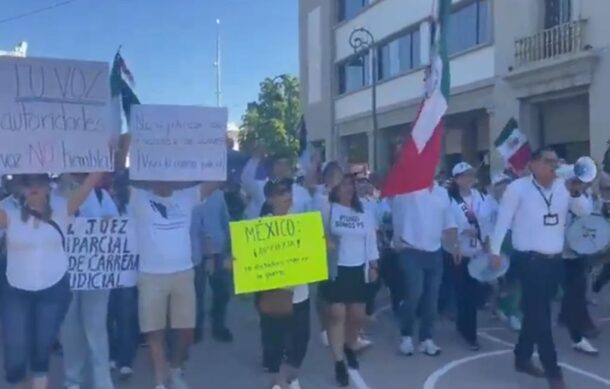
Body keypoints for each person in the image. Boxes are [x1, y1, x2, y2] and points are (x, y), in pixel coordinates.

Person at [490, 146, 592, 389]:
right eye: (547, 161)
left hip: (555, 261)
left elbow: (585, 211)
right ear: (533, 164)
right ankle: (553, 372)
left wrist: (576, 192)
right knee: (542, 318)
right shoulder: (518, 188)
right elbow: (503, 220)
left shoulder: (563, 187)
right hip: (529, 261)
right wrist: (494, 252)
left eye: (555, 162)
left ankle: (522, 357)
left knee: (536, 313)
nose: (553, 166)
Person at [0, 172, 102, 389]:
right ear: (20, 187)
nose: (33, 187)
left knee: (41, 349)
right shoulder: (8, 212)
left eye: (39, 181)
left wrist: (104, 158)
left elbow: (88, 185)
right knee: (16, 354)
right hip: (16, 291)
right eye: (27, 182)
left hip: (52, 290)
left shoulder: (63, 208)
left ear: (49, 186)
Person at [61, 174, 119, 389]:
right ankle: (73, 380)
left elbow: (116, 228)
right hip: (64, 274)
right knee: (69, 329)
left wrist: (105, 226)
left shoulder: (100, 195)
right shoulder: (54, 196)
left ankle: (102, 381)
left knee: (96, 328)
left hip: (96, 274)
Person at [393, 176, 458, 357]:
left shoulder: (442, 193)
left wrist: (455, 245)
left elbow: (449, 222)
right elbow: (397, 211)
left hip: (435, 252)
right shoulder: (408, 190)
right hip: (411, 250)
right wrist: (397, 239)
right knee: (415, 292)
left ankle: (426, 338)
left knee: (432, 297)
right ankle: (406, 335)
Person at [324, 174, 379, 387]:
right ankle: (339, 362)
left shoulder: (364, 211)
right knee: (337, 315)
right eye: (344, 184)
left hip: (359, 270)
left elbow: (371, 239)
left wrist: (374, 265)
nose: (349, 188)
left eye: (352, 185)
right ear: (336, 188)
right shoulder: (328, 209)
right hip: (337, 270)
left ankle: (349, 344)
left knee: (357, 316)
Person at [256, 178, 310, 389]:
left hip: (300, 292)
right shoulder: (261, 227)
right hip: (274, 293)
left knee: (300, 341)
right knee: (275, 341)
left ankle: (290, 376)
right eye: (280, 192)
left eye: (288, 191)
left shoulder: (302, 222)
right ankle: (278, 381)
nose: (287, 196)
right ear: (270, 199)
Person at [447, 162, 487, 351]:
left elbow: (486, 221)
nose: (468, 179)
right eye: (463, 176)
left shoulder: (480, 196)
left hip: (478, 251)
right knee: (465, 294)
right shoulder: (451, 200)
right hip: (459, 252)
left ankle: (465, 325)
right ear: (456, 179)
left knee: (475, 293)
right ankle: (469, 333)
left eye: (470, 175)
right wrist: (462, 234)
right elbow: (448, 226)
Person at [191, 181, 233, 343]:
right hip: (196, 253)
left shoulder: (218, 195)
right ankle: (196, 328)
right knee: (197, 293)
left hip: (218, 251)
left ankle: (219, 325)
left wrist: (230, 246)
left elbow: (225, 220)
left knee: (222, 292)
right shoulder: (191, 196)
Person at [107, 169, 139, 378]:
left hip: (129, 271)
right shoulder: (105, 204)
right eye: (119, 186)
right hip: (107, 271)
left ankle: (126, 360)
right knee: (108, 316)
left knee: (126, 316)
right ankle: (111, 354)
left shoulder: (138, 208)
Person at [482, 173, 522, 332]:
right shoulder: (487, 205)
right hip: (496, 244)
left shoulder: (515, 201)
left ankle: (513, 313)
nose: (504, 187)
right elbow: (485, 229)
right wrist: (488, 250)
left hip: (514, 241)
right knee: (499, 282)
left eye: (506, 183)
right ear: (494, 187)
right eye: (500, 184)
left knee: (515, 280)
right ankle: (498, 307)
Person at [241, 150, 312, 220]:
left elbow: (309, 215)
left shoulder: (302, 192)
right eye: (279, 164)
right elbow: (246, 180)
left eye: (286, 164)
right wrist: (255, 159)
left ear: (291, 168)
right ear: (273, 167)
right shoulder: (260, 187)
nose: (283, 168)